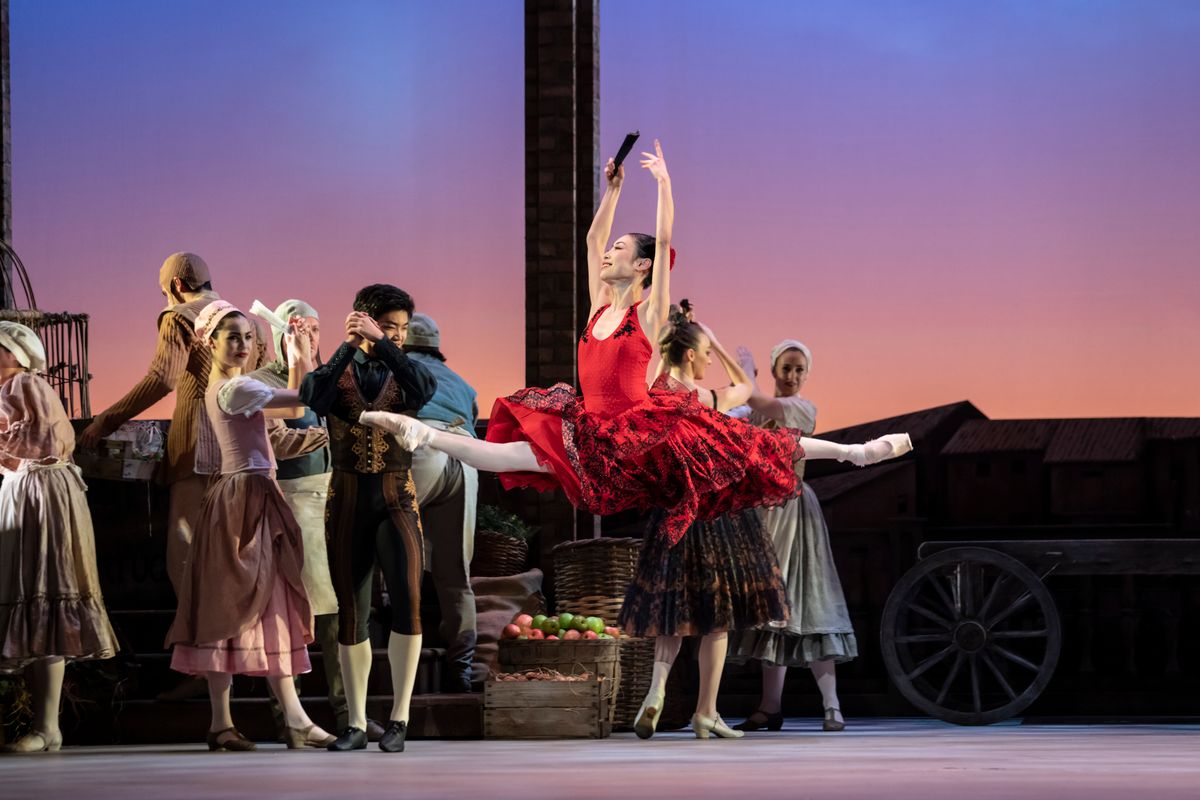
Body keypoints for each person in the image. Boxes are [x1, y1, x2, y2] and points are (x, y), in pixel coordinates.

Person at [357, 140, 910, 544]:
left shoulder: (647, 313)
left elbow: (665, 239)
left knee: (752, 446)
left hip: (644, 431)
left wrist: (664, 185)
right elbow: (591, 238)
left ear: (642, 266)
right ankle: (422, 433)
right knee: (510, 454)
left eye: (620, 250)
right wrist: (614, 190)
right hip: (595, 429)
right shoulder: (599, 306)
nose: (608, 254)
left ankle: (855, 452)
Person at [164, 302, 333, 751]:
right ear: (210, 342)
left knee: (269, 601)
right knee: (230, 604)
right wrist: (299, 353)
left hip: (253, 493)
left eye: (247, 337)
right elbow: (301, 400)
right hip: (242, 500)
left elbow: (292, 414)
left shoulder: (237, 387)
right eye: (232, 337)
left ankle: (286, 719)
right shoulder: (232, 389)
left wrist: (297, 357)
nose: (243, 345)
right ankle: (230, 722)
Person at [618, 308, 789, 739]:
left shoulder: (657, 393)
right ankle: (706, 712)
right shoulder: (707, 399)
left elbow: (654, 362)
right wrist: (717, 340)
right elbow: (746, 387)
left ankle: (656, 689)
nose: (711, 359)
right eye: (707, 353)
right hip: (714, 518)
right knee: (717, 620)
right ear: (692, 354)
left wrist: (678, 336)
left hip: (671, 516)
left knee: (673, 611)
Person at [299, 285, 437, 753]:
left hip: (397, 497)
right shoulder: (338, 371)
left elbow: (424, 389)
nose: (397, 336)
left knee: (408, 602)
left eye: (402, 329)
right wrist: (349, 344)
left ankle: (399, 719)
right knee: (351, 611)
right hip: (347, 499)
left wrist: (383, 344)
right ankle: (356, 724)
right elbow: (313, 397)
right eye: (388, 327)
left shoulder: (406, 369)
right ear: (363, 321)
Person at [79, 253, 252, 596]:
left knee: (186, 550)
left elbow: (162, 378)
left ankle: (197, 627)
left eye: (164, 293)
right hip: (243, 451)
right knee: (234, 551)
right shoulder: (246, 323)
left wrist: (105, 421)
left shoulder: (179, 316)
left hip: (199, 449)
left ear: (176, 285)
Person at [0, 322, 118, 753]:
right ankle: (44, 725)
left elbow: (38, 439)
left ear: (15, 354)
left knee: (46, 589)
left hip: (42, 492)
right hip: (26, 489)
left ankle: (47, 726)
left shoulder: (24, 384)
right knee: (34, 597)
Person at [730, 340, 857, 732]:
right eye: (786, 368)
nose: (792, 376)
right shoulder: (753, 413)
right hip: (762, 514)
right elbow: (737, 412)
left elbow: (763, 403)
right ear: (775, 370)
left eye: (799, 369)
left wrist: (745, 372)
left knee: (809, 602)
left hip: (794, 513)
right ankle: (770, 706)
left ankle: (832, 705)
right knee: (774, 612)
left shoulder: (802, 408)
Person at [403, 313, 479, 693]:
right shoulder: (462, 383)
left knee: (392, 553)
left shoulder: (398, 368)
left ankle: (397, 661)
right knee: (455, 574)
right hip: (465, 458)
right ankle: (461, 670)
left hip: (425, 447)